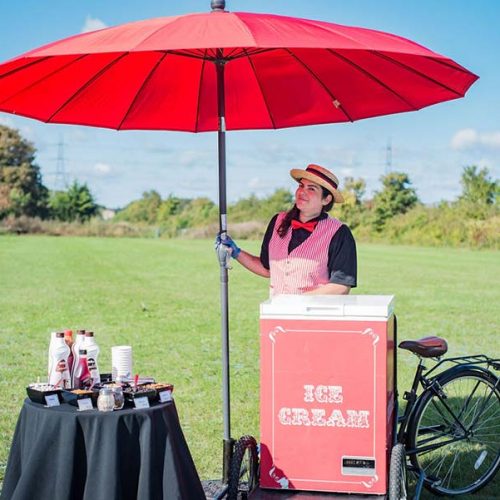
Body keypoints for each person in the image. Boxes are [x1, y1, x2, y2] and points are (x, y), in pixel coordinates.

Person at [217, 164, 357, 296]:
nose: (302, 191)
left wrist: (298, 301)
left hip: (314, 316)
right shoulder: (278, 221)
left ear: (326, 199)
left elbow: (341, 286)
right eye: (301, 185)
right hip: (277, 314)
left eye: (311, 188)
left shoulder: (339, 233)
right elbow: (267, 269)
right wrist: (235, 252)